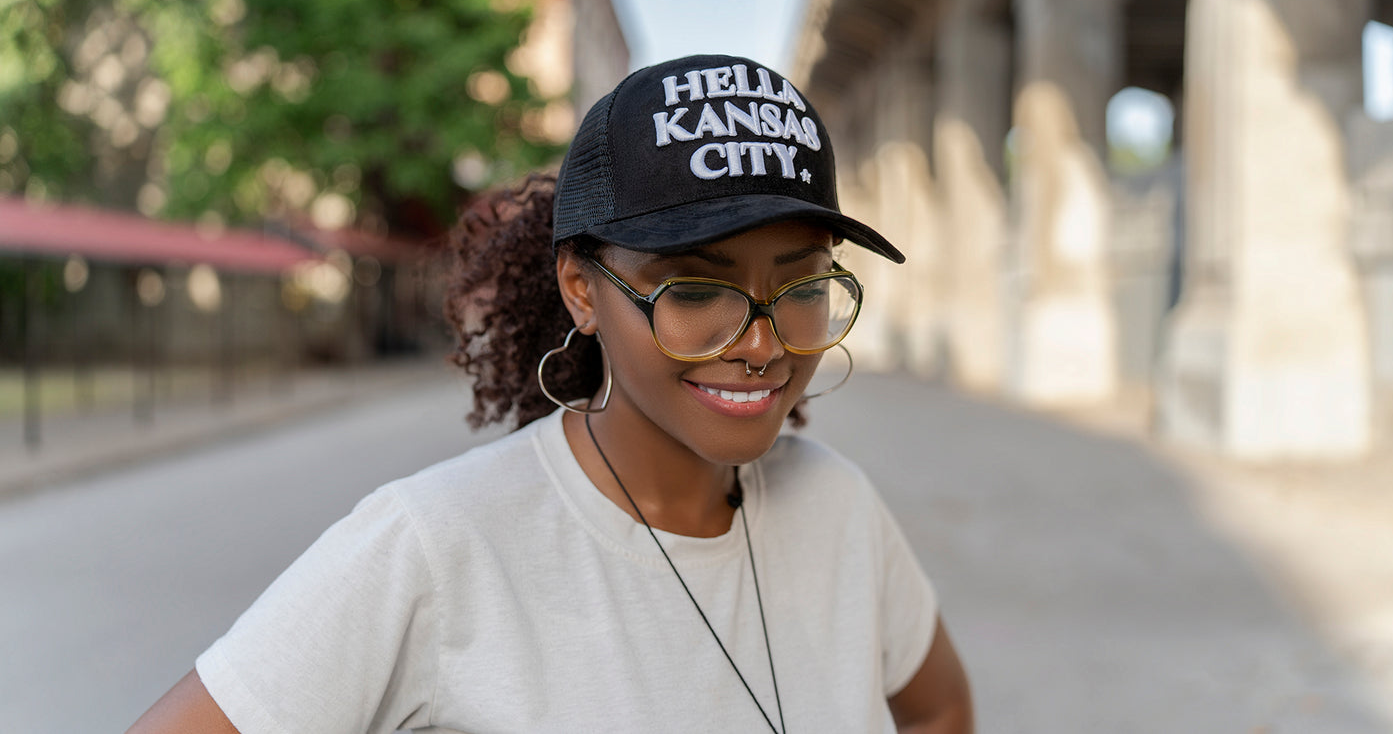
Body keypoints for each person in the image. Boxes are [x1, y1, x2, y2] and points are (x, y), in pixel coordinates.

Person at [129, 54, 973, 733]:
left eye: (802, 287)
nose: (760, 343)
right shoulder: (437, 545)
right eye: (690, 291)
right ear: (580, 288)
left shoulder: (838, 507)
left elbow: (936, 708)